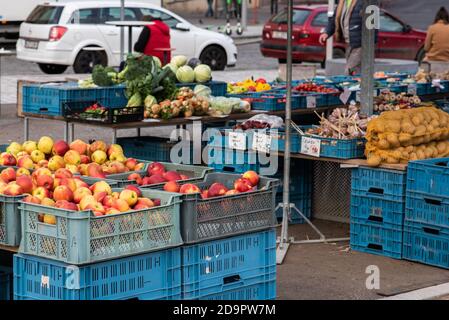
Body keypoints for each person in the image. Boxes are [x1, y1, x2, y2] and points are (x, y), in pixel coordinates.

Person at [319, 0, 366, 75]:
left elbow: (372, 21)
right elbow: (334, 19)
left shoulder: (365, 2)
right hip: (349, 43)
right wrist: (326, 32)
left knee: (350, 71)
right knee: (355, 73)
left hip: (362, 44)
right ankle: (359, 85)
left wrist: (370, 42)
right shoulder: (343, 2)